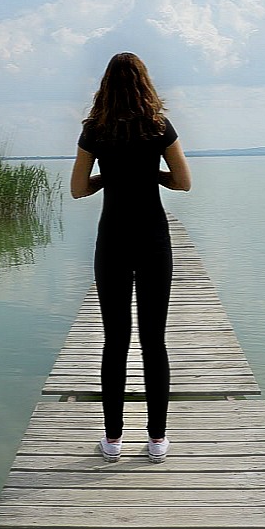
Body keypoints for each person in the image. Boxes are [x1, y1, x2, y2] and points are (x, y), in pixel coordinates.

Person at [71, 52, 192, 463]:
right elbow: (183, 182)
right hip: (154, 240)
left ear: (105, 86)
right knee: (154, 341)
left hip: (113, 242)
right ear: (145, 83)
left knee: (115, 342)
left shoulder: (94, 130)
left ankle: (113, 441)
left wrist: (112, 176)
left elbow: (78, 189)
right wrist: (148, 173)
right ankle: (157, 441)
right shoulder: (159, 126)